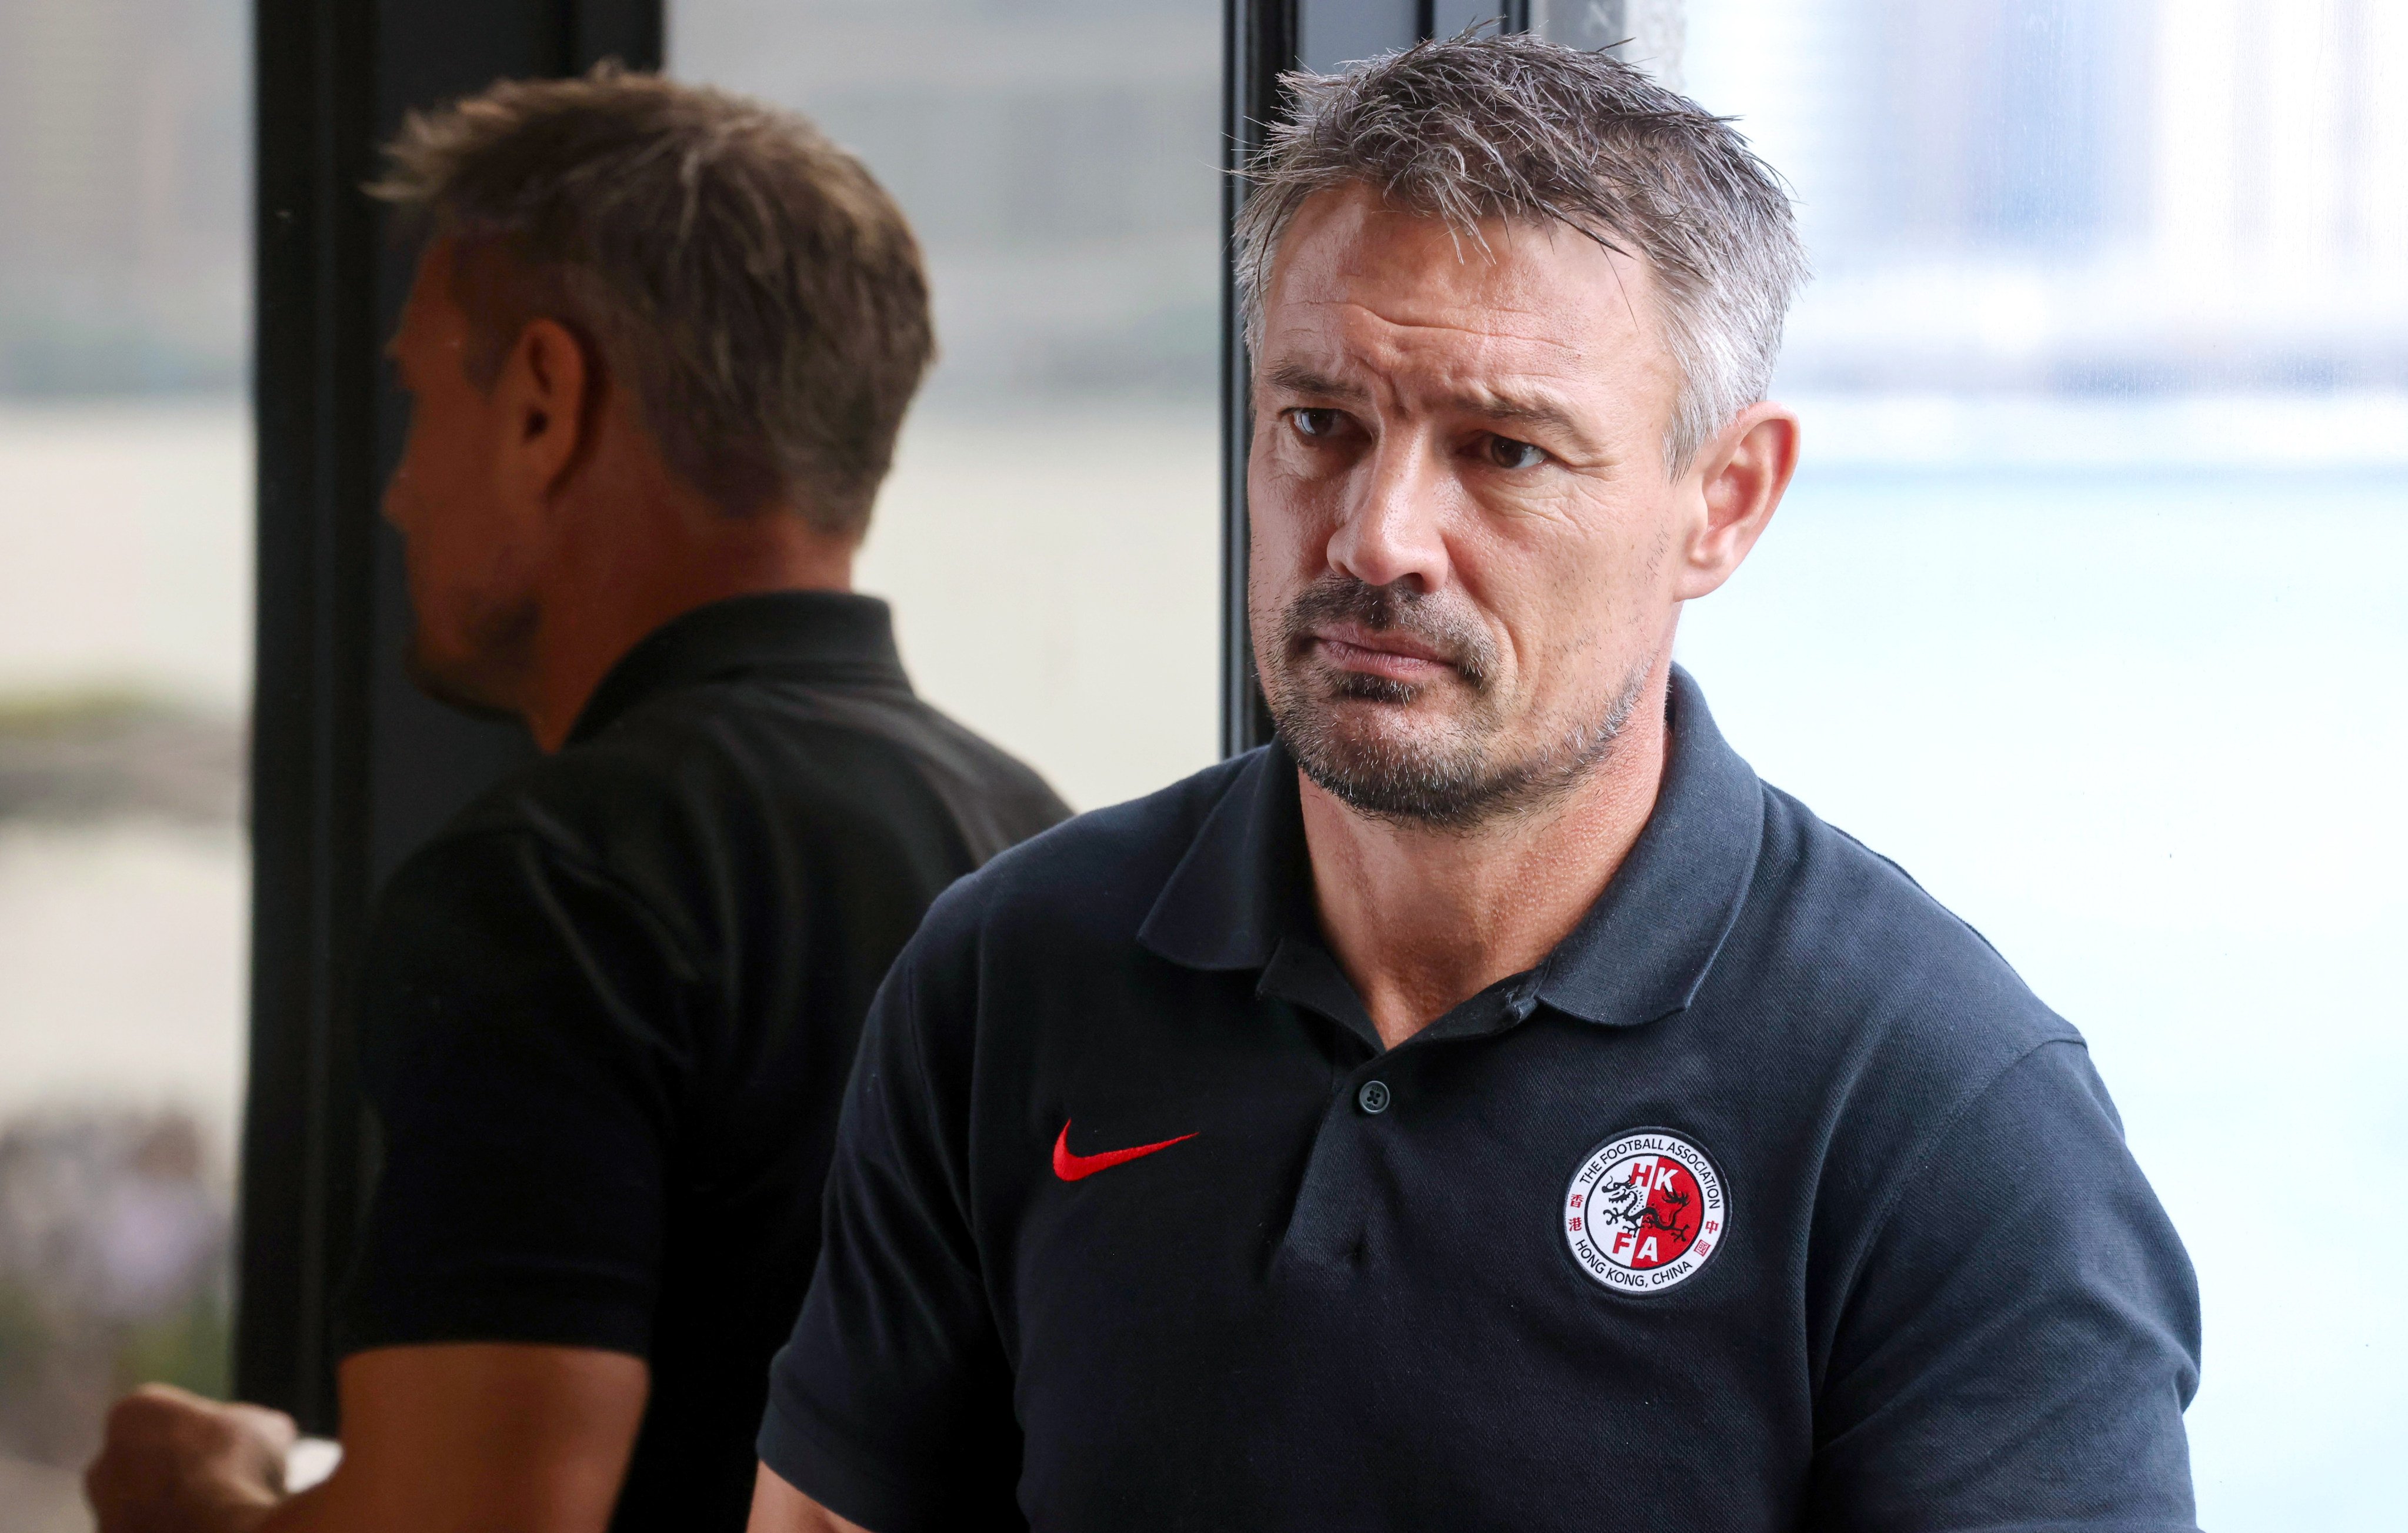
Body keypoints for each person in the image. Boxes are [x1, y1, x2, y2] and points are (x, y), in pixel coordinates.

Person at [747, 34, 2201, 1533]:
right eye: (1321, 424)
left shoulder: (1941, 1109)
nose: (1378, 537)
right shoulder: (1007, 974)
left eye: (1503, 450)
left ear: (1725, 503)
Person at [86, 69, 1068, 1533]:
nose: (397, 489)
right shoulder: (1051, 850)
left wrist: (199, 1499)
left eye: (421, 398)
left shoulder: (552, 890)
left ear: (545, 403)